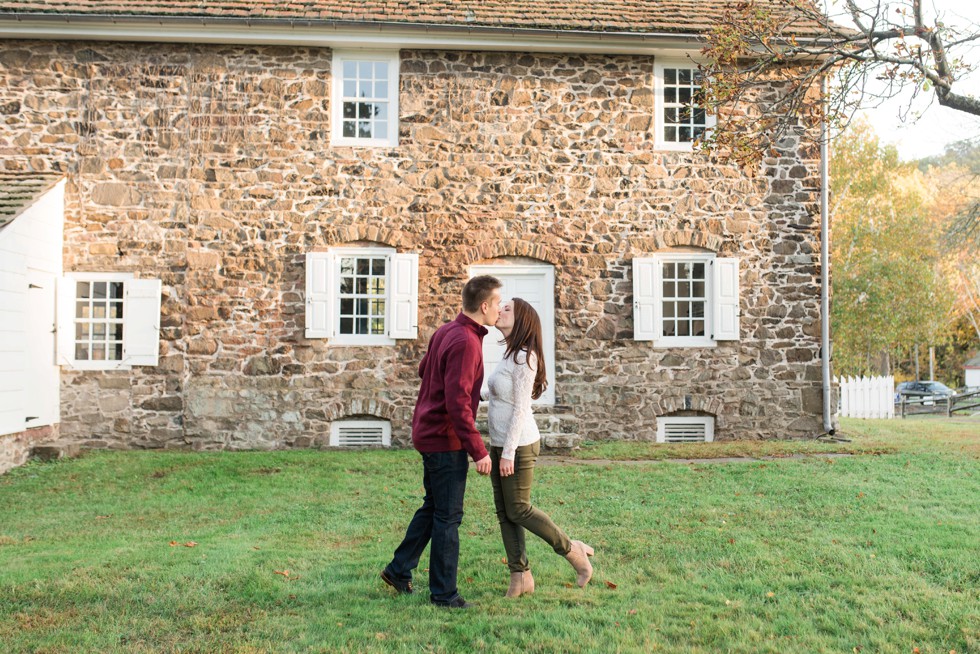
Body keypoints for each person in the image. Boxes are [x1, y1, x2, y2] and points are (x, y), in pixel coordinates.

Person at [381, 275, 502, 609]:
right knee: (448, 516)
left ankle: (398, 568)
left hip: (427, 431)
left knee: (434, 506)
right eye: (497, 303)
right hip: (443, 439)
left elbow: (425, 370)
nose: (499, 309)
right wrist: (478, 451)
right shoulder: (465, 341)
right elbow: (457, 404)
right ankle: (444, 594)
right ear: (483, 305)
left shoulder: (447, 331)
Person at [486, 298, 594, 598]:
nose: (500, 310)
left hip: (518, 445)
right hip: (499, 443)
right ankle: (519, 577)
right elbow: (498, 395)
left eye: (507, 309)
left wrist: (508, 452)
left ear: (520, 321)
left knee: (519, 509)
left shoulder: (525, 357)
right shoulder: (509, 354)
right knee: (505, 513)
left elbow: (521, 408)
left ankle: (573, 551)